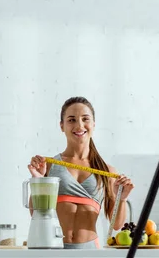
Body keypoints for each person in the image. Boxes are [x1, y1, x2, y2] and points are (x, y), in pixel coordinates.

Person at [28, 96, 134, 249]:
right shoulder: (49, 166)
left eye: (85, 119)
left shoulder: (107, 171)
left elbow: (116, 225)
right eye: (71, 120)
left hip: (90, 250)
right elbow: (36, 215)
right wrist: (38, 180)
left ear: (93, 124)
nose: (79, 125)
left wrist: (121, 199)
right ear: (62, 126)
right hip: (54, 248)